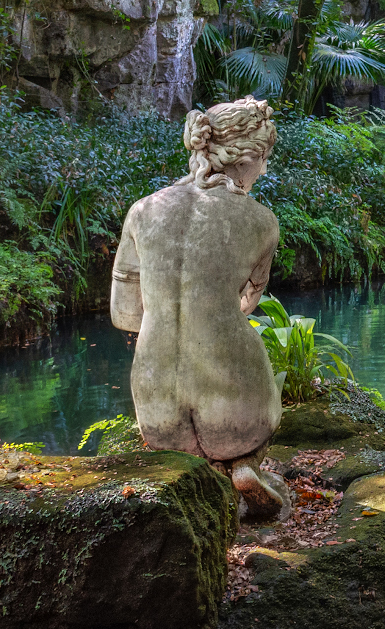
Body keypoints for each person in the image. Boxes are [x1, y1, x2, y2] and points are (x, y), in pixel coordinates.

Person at [110, 96, 291, 519]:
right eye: (264, 159)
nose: (264, 170)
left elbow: (125, 315)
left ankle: (201, 471)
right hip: (237, 415)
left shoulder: (143, 211)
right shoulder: (261, 221)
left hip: (157, 414)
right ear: (247, 158)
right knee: (245, 358)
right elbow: (247, 304)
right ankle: (245, 467)